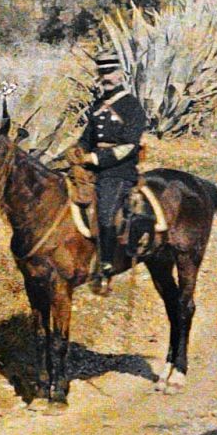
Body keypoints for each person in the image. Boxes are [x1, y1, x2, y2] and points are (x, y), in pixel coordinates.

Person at [76, 50, 149, 293]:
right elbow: (87, 137)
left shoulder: (131, 106)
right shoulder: (97, 105)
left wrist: (95, 157)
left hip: (118, 169)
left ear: (120, 74)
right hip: (92, 165)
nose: (106, 77)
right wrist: (76, 152)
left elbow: (129, 145)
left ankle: (106, 267)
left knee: (105, 212)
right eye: (102, 72)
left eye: (110, 72)